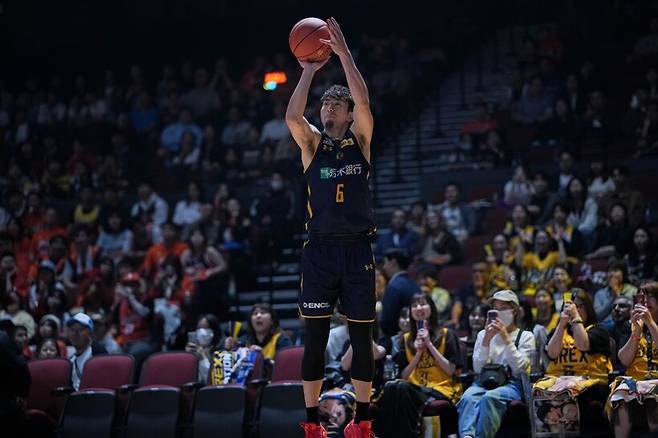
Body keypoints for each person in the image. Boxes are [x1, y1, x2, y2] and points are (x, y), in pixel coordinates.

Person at [286, 17, 376, 437]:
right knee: (315, 339)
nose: (327, 109)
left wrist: (343, 55)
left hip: (357, 249)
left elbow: (364, 100)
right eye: (324, 105)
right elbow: (292, 116)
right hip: (320, 250)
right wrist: (307, 72)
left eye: (335, 105)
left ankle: (363, 423)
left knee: (361, 339)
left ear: (348, 113)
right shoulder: (311, 144)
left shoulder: (360, 141)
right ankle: (312, 425)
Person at [374, 293, 462, 438]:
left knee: (401, 388)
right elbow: (403, 376)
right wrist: (418, 353)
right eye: (414, 305)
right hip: (414, 388)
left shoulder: (447, 334)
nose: (419, 308)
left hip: (440, 388)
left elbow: (450, 370)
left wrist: (429, 344)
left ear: (432, 308)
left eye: (423, 304)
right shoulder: (405, 339)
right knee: (392, 386)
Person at [456, 290, 535, 438]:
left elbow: (520, 370)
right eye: (495, 308)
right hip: (484, 381)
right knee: (468, 397)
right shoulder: (482, 334)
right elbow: (478, 368)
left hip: (512, 383)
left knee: (490, 397)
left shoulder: (526, 336)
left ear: (514, 311)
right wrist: (487, 339)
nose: (498, 312)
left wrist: (506, 338)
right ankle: (467, 435)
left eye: (503, 308)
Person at [534, 288, 612, 434]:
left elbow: (583, 345)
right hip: (560, 381)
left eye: (579, 306)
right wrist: (561, 324)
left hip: (590, 383)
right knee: (538, 392)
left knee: (572, 394)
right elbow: (552, 353)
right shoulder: (559, 331)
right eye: (570, 306)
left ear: (588, 308)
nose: (573, 309)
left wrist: (575, 316)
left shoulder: (598, 330)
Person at [608, 282, 658, 437]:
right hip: (636, 379)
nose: (645, 301)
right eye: (641, 297)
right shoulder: (629, 325)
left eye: (650, 296)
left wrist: (650, 323)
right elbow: (624, 360)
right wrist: (636, 332)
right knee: (621, 398)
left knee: (654, 397)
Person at [379, 249, 420, 337]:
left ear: (393, 262)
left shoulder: (394, 286)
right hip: (415, 333)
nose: (384, 267)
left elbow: (386, 321)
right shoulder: (415, 283)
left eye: (385, 262)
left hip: (397, 337)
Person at [66, 312, 108, 390]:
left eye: (80, 330)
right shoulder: (71, 360)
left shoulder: (97, 351)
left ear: (90, 333)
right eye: (72, 330)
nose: (75, 333)